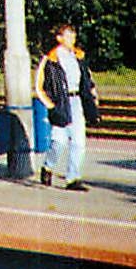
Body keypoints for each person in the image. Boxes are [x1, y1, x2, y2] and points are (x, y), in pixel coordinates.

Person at [34, 23, 99, 191]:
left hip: (77, 102)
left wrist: (93, 97)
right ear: (59, 38)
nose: (72, 40)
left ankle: (73, 178)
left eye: (73, 36)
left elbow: (88, 79)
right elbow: (39, 86)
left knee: (78, 142)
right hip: (61, 104)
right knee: (59, 142)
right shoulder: (50, 59)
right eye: (68, 36)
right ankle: (48, 166)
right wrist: (51, 106)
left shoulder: (78, 56)